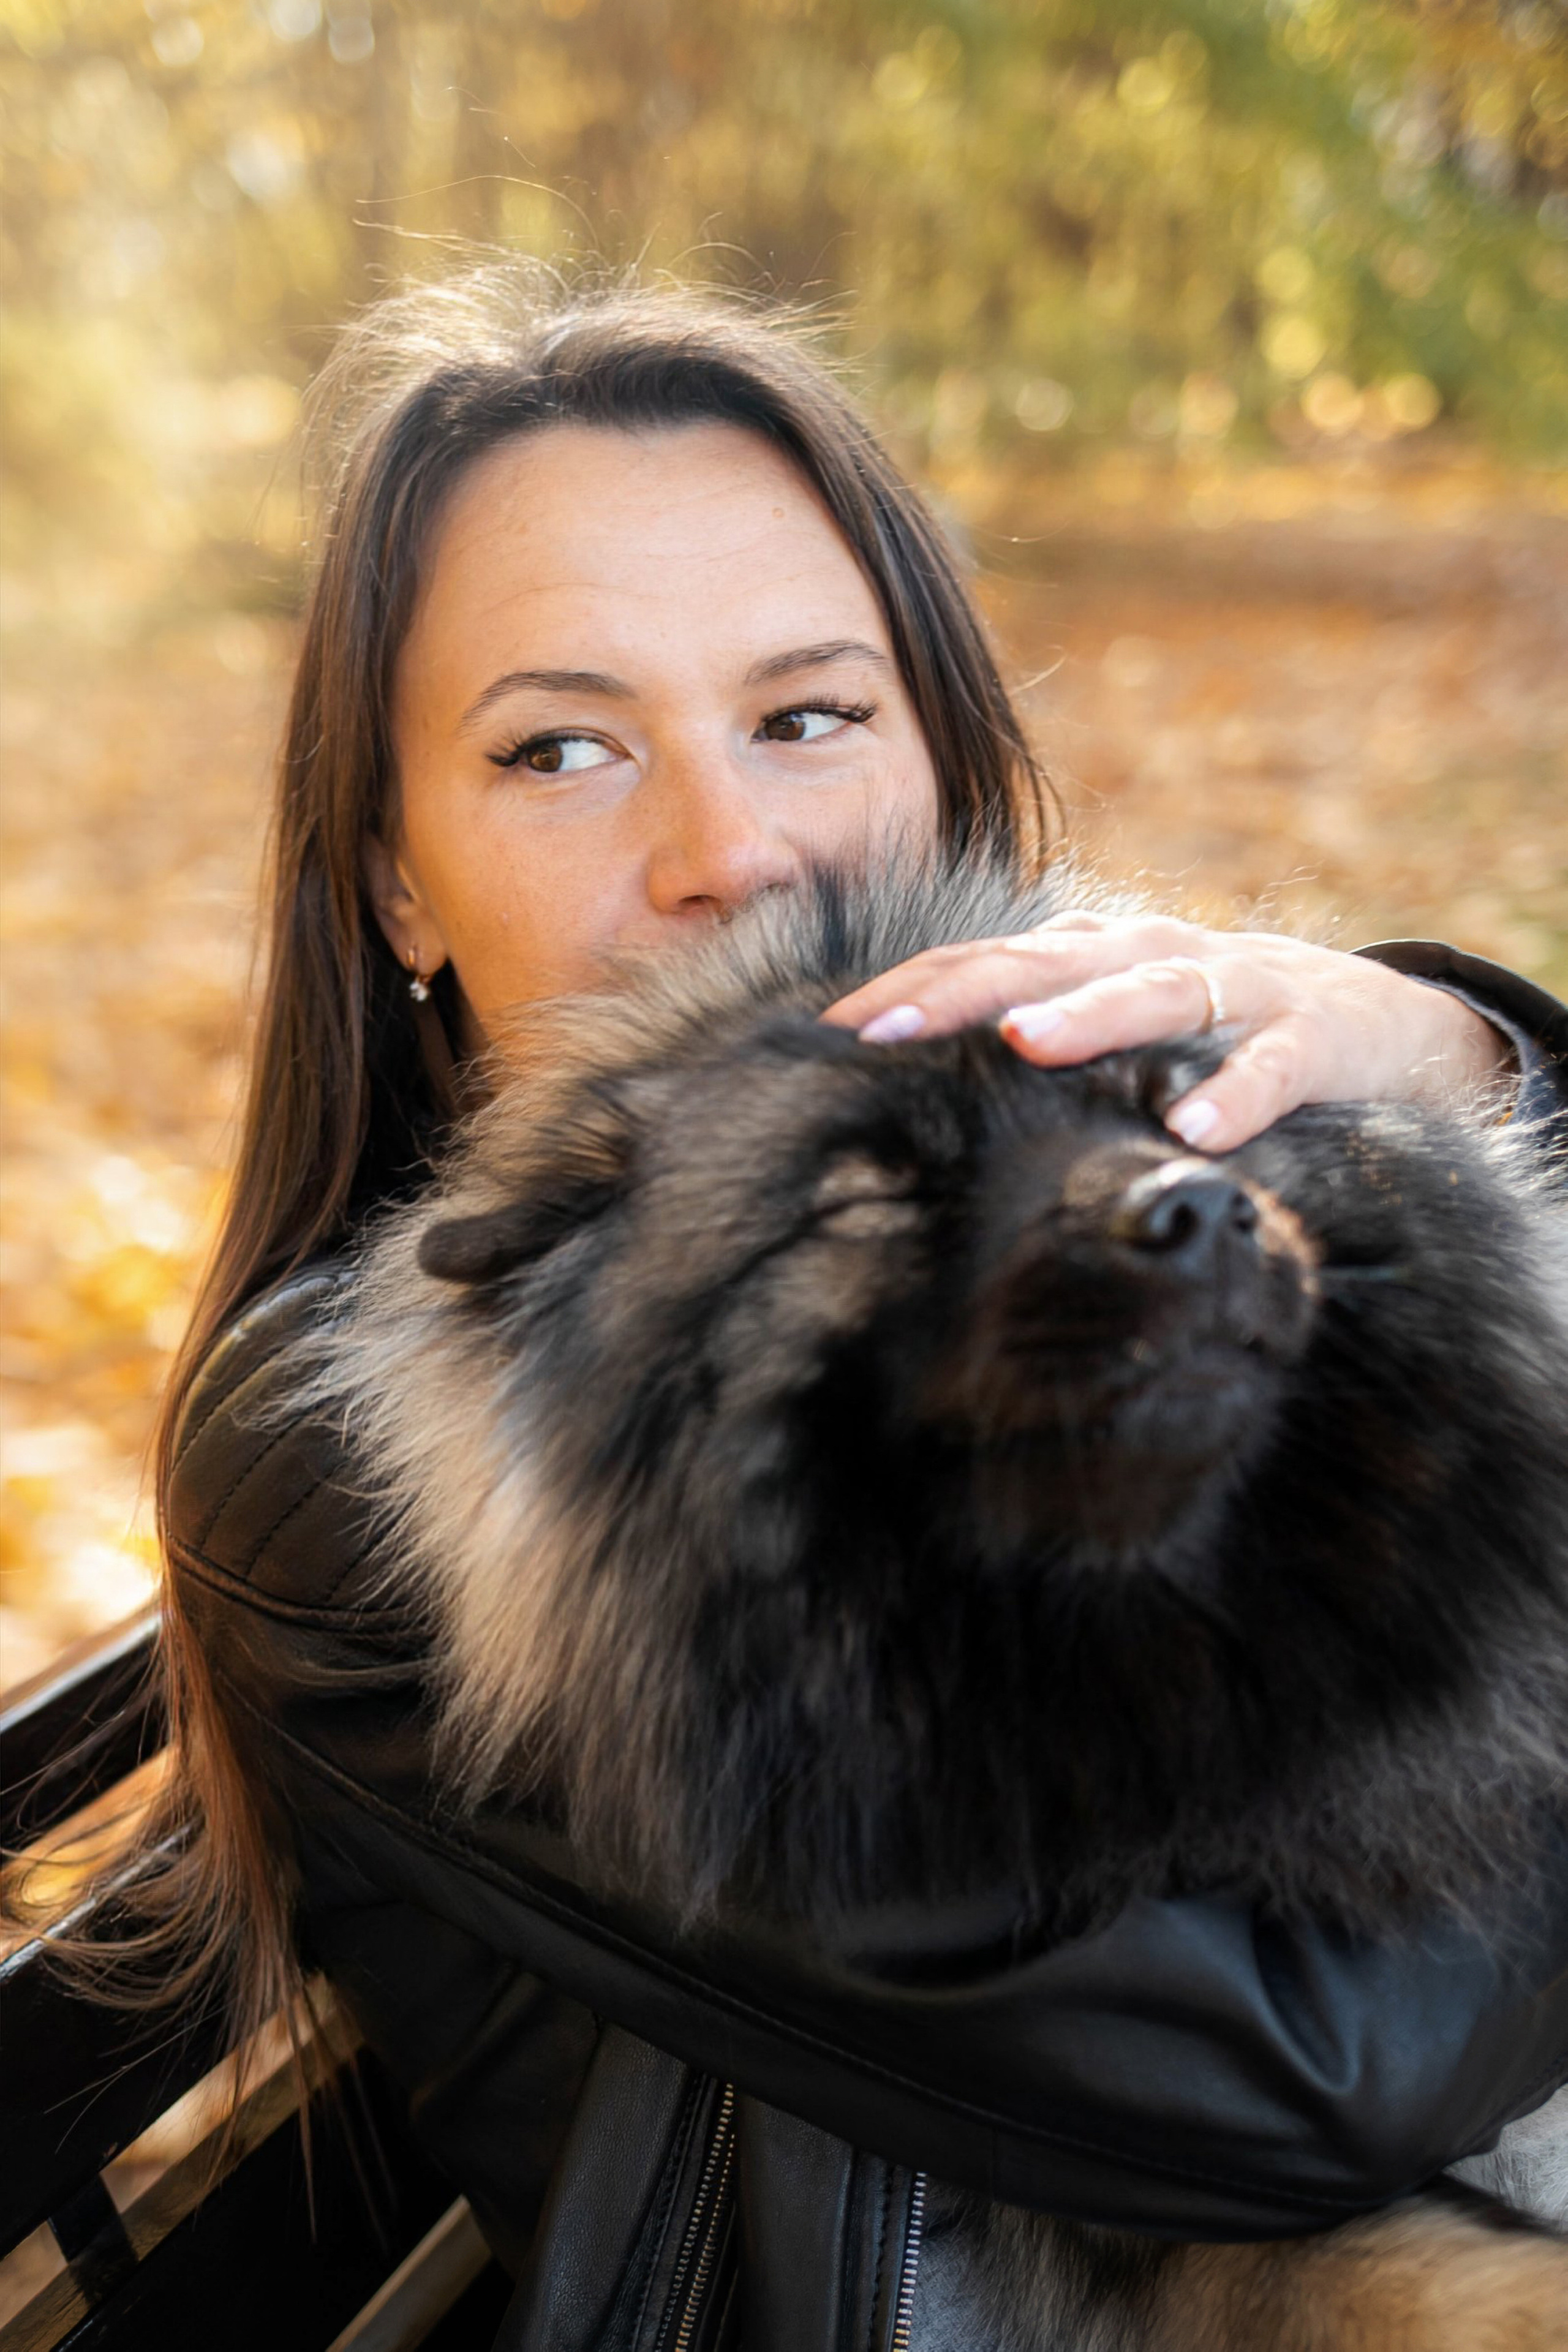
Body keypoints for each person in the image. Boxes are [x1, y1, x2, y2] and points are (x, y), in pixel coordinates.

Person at [50, 270, 1568, 2345]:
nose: (734, 852)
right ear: (395, 873)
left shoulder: (1089, 1113)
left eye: (806, 716)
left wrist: (1471, 1057)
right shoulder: (392, 1444)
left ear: (944, 760)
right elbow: (1310, 2072)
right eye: (562, 747)